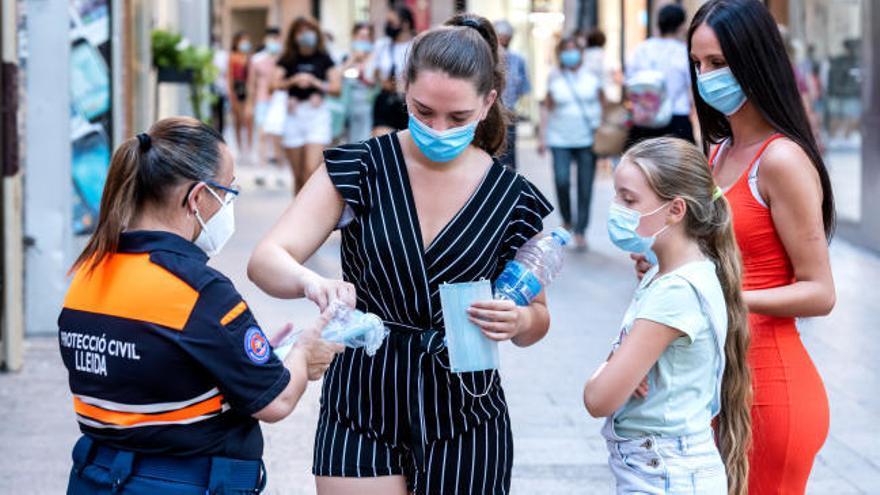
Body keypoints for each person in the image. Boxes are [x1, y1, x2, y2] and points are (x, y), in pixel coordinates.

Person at [248, 14, 553, 495]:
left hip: (466, 411)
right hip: (361, 398)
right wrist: (310, 281)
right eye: (423, 110)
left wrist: (517, 322)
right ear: (402, 88)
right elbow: (267, 257)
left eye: (457, 118)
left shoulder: (512, 198)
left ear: (489, 102)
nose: (438, 129)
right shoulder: (360, 167)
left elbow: (537, 318)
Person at [59, 117, 343, 494]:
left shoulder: (87, 272)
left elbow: (155, 368)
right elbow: (275, 400)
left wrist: (246, 353)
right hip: (184, 482)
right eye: (227, 193)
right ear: (197, 197)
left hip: (97, 477)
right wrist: (305, 354)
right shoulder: (198, 290)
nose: (228, 205)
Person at [680, 1, 836, 492]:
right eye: (699, 63)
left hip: (770, 388)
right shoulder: (718, 151)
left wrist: (727, 297)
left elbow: (819, 291)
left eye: (719, 63)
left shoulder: (781, 160)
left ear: (755, 61)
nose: (707, 77)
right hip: (714, 386)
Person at [584, 138, 751, 495]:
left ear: (676, 210)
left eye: (628, 200)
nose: (616, 208)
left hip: (666, 476)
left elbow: (598, 399)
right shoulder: (675, 272)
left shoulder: (675, 292)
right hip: (663, 469)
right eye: (616, 195)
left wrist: (611, 367)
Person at [539, 36, 602, 251]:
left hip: (587, 138)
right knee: (562, 179)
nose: (570, 53)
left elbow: (604, 103)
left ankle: (581, 230)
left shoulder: (592, 75)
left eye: (574, 49)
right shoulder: (554, 77)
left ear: (581, 53)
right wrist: (542, 137)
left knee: (585, 186)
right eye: (566, 49)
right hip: (559, 138)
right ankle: (567, 219)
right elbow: (546, 107)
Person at [274, 17, 341, 194]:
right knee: (298, 176)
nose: (305, 35)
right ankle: (298, 217)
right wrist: (293, 81)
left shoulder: (324, 58)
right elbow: (273, 84)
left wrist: (315, 83)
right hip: (294, 116)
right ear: (294, 35)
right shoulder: (288, 58)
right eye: (301, 31)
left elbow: (336, 88)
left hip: (316, 115)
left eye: (309, 30)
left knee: (311, 170)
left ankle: (310, 217)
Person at [625, 4, 694, 146]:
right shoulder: (684, 52)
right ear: (681, 26)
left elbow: (629, 80)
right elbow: (691, 89)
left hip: (644, 118)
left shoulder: (642, 49)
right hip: (677, 118)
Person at [371, 5, 416, 136]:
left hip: (408, 102)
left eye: (392, 22)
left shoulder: (417, 45)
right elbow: (370, 74)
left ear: (405, 24)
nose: (388, 26)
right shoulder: (382, 45)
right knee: (382, 142)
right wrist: (380, 80)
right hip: (386, 99)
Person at [494, 19, 531, 170]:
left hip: (509, 112)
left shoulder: (518, 60)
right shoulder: (486, 58)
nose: (504, 39)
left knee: (509, 152)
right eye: (500, 35)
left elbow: (524, 87)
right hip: (490, 112)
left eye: (506, 36)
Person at [247, 27, 283, 169]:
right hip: (262, 100)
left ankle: (280, 168)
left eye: (276, 39)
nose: (274, 42)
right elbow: (251, 83)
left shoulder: (284, 59)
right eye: (271, 39)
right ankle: (261, 169)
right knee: (261, 134)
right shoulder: (257, 59)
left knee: (277, 137)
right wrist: (250, 104)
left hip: (279, 101)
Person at [341, 22, 377, 143]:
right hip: (349, 106)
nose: (364, 40)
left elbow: (374, 80)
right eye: (361, 37)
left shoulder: (376, 58)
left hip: (369, 105)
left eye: (367, 37)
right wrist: (353, 59)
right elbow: (339, 76)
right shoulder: (346, 57)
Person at [229, 31, 254, 158]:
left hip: (247, 90)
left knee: (249, 119)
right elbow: (230, 77)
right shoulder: (233, 57)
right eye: (243, 40)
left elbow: (251, 77)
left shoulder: (250, 58)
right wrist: (231, 94)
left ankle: (249, 148)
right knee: (238, 120)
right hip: (237, 89)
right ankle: (240, 148)